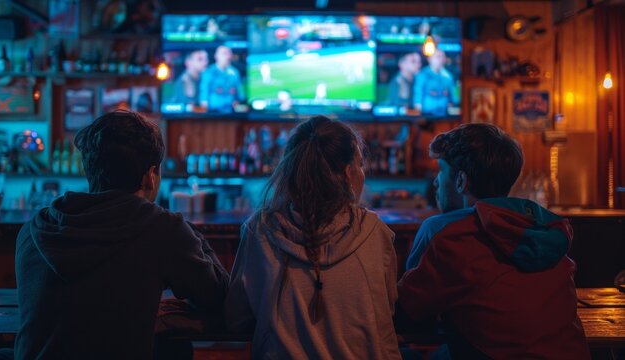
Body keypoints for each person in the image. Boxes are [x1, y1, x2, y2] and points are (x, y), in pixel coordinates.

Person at [14, 110, 229, 359]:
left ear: (89, 170)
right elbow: (217, 295)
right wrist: (187, 228)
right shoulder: (161, 228)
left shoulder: (34, 229)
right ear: (150, 176)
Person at [398, 124, 590, 359]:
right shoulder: (547, 228)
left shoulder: (447, 232)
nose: (436, 182)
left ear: (461, 181)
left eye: (441, 171)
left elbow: (408, 313)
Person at [225, 116, 401, 359]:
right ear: (348, 174)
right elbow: (387, 311)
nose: (363, 173)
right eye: (360, 164)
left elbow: (236, 317)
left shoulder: (260, 230)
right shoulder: (375, 232)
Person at [413, 50, 458, 117]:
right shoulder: (422, 75)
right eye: (438, 57)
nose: (441, 59)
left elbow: (453, 99)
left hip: (444, 115)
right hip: (426, 116)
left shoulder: (448, 77)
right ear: (429, 59)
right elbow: (418, 96)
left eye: (443, 57)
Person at [200, 45, 244, 113]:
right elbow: (204, 95)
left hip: (231, 112)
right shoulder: (209, 72)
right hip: (214, 112)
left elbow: (240, 94)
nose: (228, 56)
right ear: (216, 56)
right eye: (224, 53)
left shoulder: (234, 72)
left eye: (229, 53)